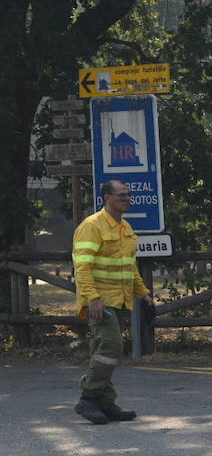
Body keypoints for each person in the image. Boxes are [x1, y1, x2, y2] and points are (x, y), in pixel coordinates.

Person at [72, 179, 155, 424]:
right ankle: (88, 398)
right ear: (107, 198)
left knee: (104, 350)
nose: (127, 199)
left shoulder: (125, 228)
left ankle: (105, 403)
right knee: (111, 347)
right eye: (121, 195)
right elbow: (82, 267)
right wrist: (93, 298)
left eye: (128, 195)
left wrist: (144, 294)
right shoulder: (92, 226)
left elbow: (130, 268)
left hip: (119, 300)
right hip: (100, 301)